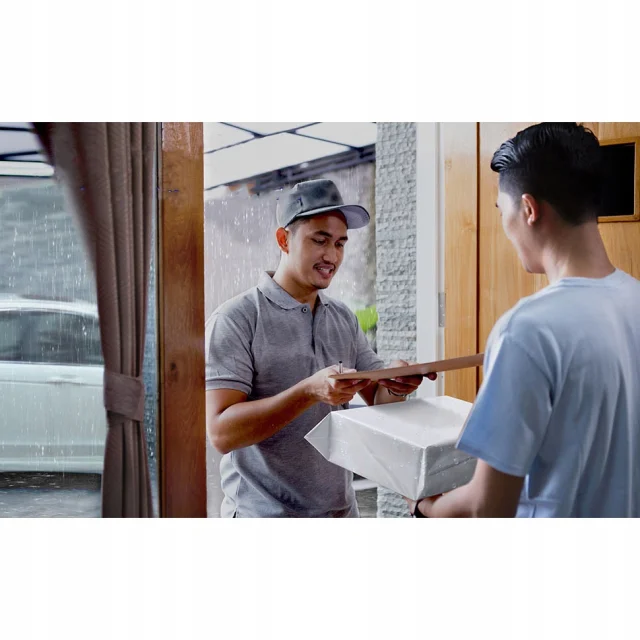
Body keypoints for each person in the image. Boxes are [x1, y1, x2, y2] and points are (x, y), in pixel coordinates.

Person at [408, 122, 640, 518]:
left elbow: (486, 508)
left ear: (529, 210)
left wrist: (425, 508)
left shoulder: (528, 329)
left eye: (502, 210)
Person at [206, 178, 434, 518]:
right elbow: (222, 434)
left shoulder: (342, 317)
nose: (332, 256)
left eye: (340, 243)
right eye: (320, 240)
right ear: (284, 239)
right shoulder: (237, 318)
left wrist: (396, 384)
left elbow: (378, 400)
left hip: (340, 515)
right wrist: (309, 392)